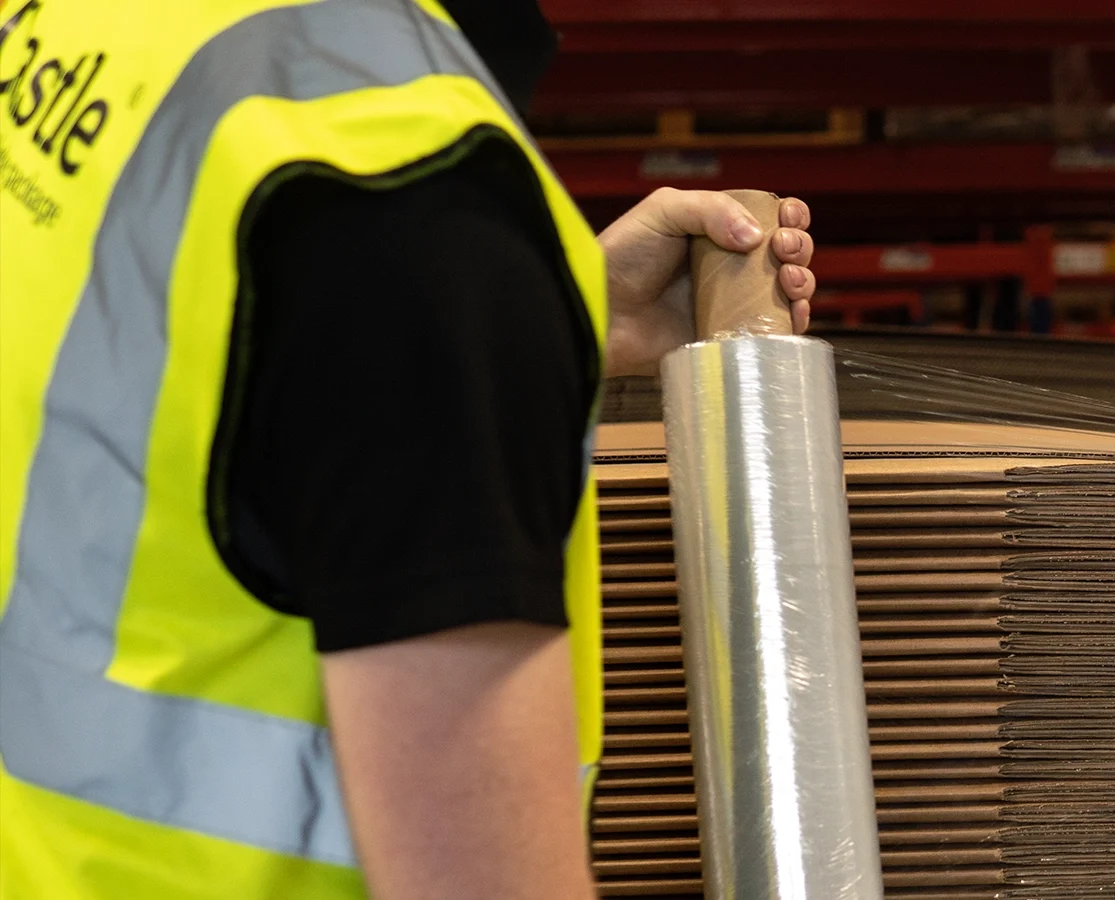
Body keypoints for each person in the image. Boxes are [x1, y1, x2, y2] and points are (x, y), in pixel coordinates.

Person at [0, 1, 814, 898]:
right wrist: (473, 324)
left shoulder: (86, 31)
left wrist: (549, 316)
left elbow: (151, 359)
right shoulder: (400, 194)